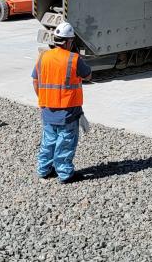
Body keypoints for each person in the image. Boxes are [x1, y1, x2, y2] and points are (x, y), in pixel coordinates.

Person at [31, 22, 92, 184]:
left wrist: (43, 98)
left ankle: (44, 170)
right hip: (68, 112)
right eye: (71, 41)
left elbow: (35, 81)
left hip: (47, 110)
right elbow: (88, 76)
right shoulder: (73, 59)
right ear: (68, 42)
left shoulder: (43, 56)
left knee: (48, 141)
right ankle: (65, 174)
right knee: (65, 142)